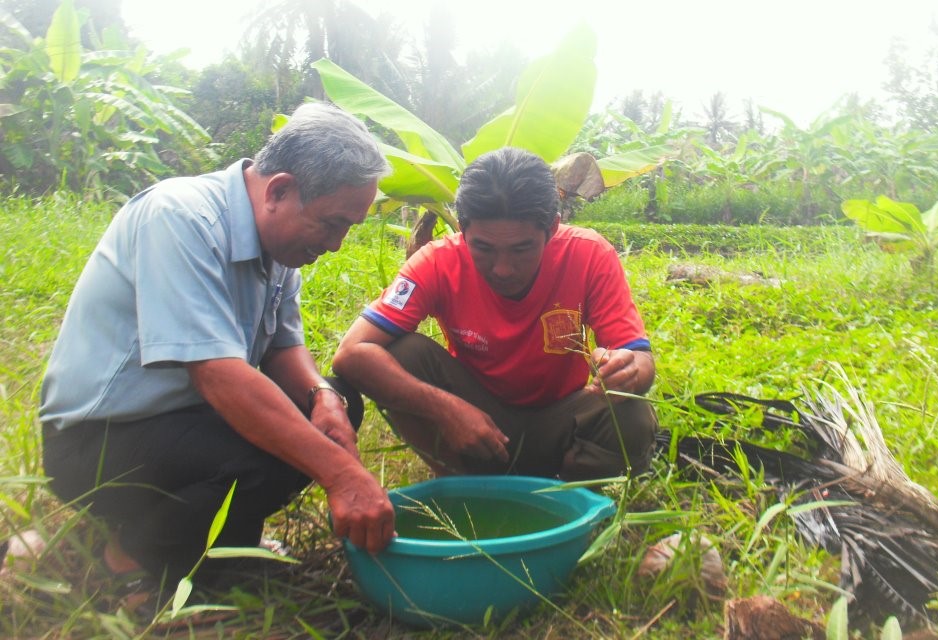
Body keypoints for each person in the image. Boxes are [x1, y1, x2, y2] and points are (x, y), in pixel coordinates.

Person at [39, 102, 396, 587]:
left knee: (333, 411)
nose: (335, 244)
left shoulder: (281, 246)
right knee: (259, 450)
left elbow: (282, 348)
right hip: (97, 443)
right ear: (280, 190)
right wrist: (343, 476)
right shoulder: (179, 218)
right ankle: (131, 560)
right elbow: (218, 376)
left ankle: (222, 545)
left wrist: (322, 396)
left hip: (187, 423)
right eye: (331, 223)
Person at [332, 147, 658, 481]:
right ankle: (460, 486)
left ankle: (570, 500)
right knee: (402, 353)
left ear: (553, 228)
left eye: (522, 249)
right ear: (462, 229)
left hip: (563, 420)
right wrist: (446, 409)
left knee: (631, 414)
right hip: (476, 423)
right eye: (484, 248)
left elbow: (640, 360)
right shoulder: (437, 262)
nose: (502, 269)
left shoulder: (590, 255)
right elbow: (351, 353)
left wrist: (628, 370)